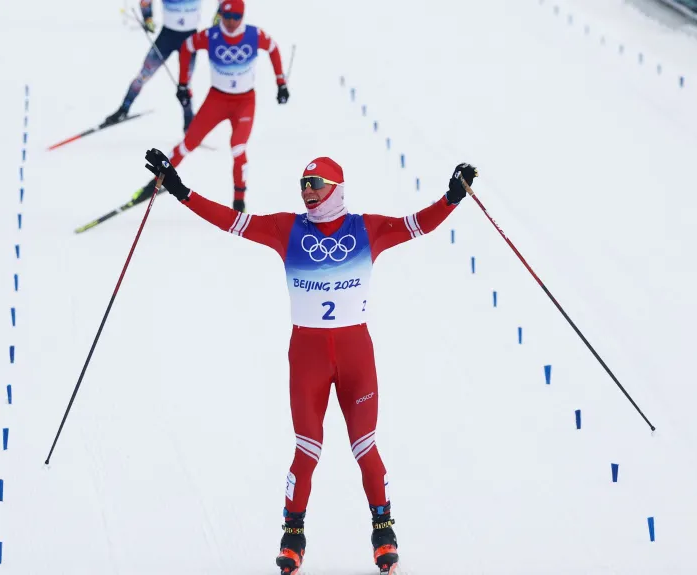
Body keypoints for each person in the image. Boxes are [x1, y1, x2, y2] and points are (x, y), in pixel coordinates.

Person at [142, 147, 477, 575]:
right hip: (308, 360)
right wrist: (180, 190)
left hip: (357, 358)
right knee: (306, 449)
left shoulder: (366, 229)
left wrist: (452, 197)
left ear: (336, 188)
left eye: (316, 184)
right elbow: (231, 222)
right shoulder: (287, 229)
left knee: (365, 447)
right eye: (303, 184)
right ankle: (292, 537)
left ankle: (384, 533)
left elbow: (416, 225)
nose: (308, 191)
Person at [132, 0, 288, 213]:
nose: (231, 22)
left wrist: (281, 83)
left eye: (236, 18)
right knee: (189, 143)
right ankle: (156, 181)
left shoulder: (254, 35)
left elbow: (273, 48)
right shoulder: (211, 36)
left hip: (244, 102)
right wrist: (184, 85)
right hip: (217, 99)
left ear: (243, 17)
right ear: (221, 14)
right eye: (227, 17)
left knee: (238, 147)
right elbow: (187, 47)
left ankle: (239, 203)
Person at [102, 0, 219, 132]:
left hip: (189, 39)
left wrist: (220, 15)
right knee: (143, 75)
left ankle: (189, 121)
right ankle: (123, 109)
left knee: (185, 83)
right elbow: (145, 2)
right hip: (167, 37)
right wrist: (147, 18)